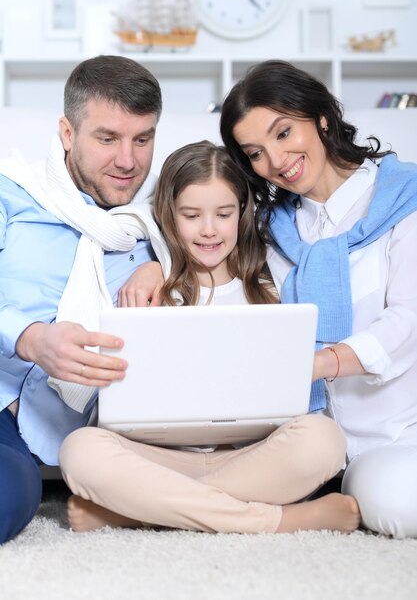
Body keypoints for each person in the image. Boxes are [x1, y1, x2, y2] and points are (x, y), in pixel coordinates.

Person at [59, 140, 360, 536]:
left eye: (223, 214)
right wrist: (153, 270)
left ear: (241, 213)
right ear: (168, 216)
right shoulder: (148, 287)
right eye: (191, 215)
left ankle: (136, 513)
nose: (208, 230)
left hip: (250, 455)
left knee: (324, 439)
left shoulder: (271, 286)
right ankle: (280, 520)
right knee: (80, 451)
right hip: (159, 456)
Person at [219, 59, 417, 538]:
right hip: (319, 440)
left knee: (401, 502)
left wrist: (320, 362)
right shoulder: (272, 231)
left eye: (284, 132)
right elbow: (188, 218)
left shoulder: (403, 198)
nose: (276, 160)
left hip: (400, 429)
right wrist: (148, 259)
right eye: (255, 153)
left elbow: (408, 318)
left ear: (321, 117)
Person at [0, 54, 164, 543]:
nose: (128, 161)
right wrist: (28, 338)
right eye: (107, 138)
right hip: (4, 405)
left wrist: (165, 263)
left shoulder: (164, 217)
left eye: (143, 138)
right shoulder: (13, 194)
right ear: (67, 134)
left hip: (104, 434)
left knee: (13, 492)